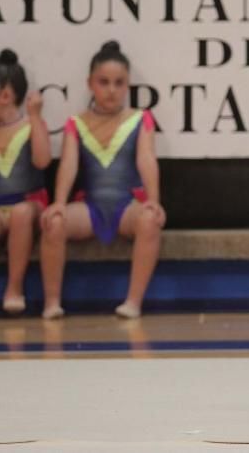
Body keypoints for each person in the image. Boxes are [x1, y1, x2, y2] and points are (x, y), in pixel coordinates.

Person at [40, 41, 165, 320]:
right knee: (54, 222)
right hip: (91, 207)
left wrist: (154, 200)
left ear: (128, 85)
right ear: (90, 83)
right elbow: (69, 164)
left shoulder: (140, 119)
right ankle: (51, 301)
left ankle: (133, 301)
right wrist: (59, 202)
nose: (111, 90)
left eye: (119, 83)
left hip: (125, 207)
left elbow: (146, 160)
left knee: (149, 219)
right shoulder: (77, 122)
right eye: (104, 82)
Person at [0, 49, 50, 320]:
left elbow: (41, 160)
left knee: (22, 213)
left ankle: (14, 289)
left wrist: (36, 117)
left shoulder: (30, 126)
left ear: (5, 95)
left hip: (30, 204)